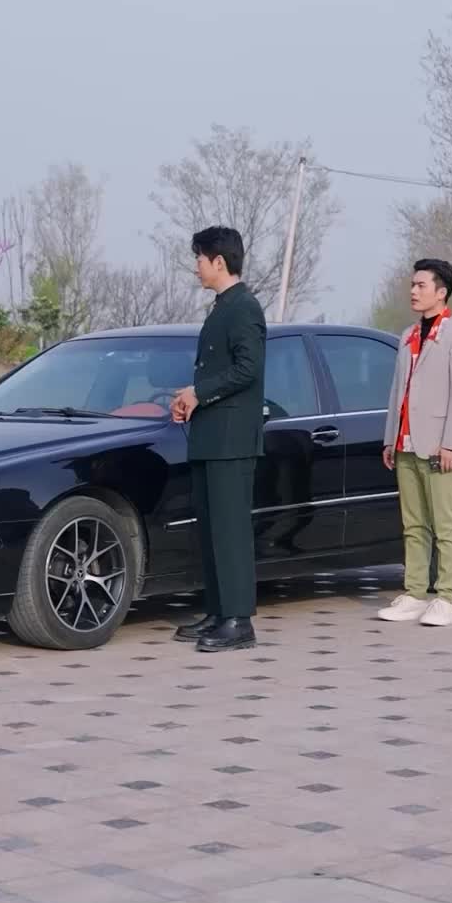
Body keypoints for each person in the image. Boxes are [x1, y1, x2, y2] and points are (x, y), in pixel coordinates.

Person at [171, 226, 266, 652]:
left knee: (231, 531)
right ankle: (218, 611)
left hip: (232, 440)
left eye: (200, 258)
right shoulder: (222, 307)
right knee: (211, 530)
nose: (196, 266)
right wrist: (189, 399)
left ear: (219, 262)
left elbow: (248, 369)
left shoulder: (244, 307)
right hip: (211, 436)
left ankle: (239, 621)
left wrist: (200, 392)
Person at [379, 257, 452, 628]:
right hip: (406, 444)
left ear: (441, 292)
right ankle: (415, 593)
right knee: (414, 525)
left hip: (440, 447)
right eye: (413, 285)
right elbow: (398, 392)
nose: (413, 291)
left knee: (445, 525)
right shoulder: (408, 335)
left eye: (421, 285)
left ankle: (447, 598)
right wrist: (390, 438)